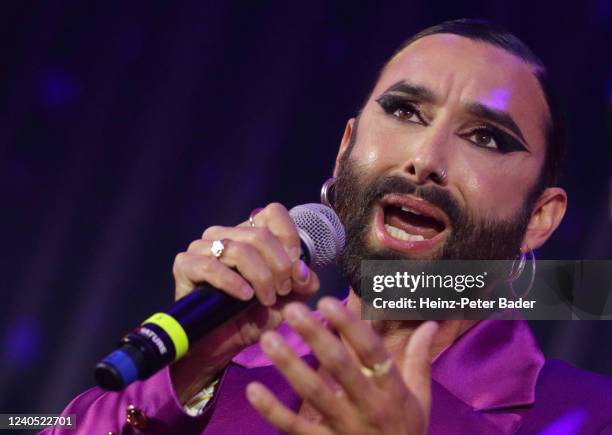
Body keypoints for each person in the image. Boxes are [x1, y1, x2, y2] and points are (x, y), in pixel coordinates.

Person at [43, 19, 612, 434]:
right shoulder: (240, 358)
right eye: (406, 112)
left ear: (539, 219)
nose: (425, 159)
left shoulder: (587, 414)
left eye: (486, 137)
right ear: (344, 154)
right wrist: (188, 372)